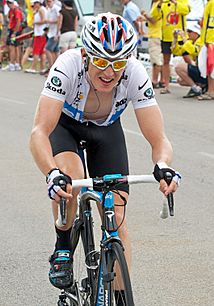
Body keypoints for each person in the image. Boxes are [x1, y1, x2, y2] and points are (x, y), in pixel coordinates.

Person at [29, 12, 181, 297]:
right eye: (100, 61)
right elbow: (39, 131)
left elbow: (158, 138)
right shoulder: (66, 66)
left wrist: (162, 165)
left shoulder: (135, 73)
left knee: (118, 216)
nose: (110, 72)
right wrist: (52, 172)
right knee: (71, 181)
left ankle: (122, 299)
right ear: (85, 54)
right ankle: (63, 243)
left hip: (106, 130)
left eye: (118, 63)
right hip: (66, 127)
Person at [153, 0, 191, 94]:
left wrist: (175, 2)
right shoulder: (163, 2)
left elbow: (186, 10)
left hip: (179, 36)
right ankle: (166, 85)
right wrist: (159, 5)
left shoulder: (182, 1)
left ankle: (197, 83)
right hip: (166, 37)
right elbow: (155, 16)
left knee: (188, 59)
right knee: (165, 61)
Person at [172, 23, 207, 98]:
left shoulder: (202, 41)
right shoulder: (190, 42)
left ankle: (197, 88)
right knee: (181, 81)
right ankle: (200, 86)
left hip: (205, 71)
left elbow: (194, 50)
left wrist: (184, 38)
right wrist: (175, 38)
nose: (188, 33)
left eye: (189, 31)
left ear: (196, 33)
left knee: (179, 67)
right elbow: (176, 52)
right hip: (199, 69)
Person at [141, 0, 164, 88]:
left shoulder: (158, 4)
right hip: (159, 34)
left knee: (156, 60)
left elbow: (153, 20)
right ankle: (162, 80)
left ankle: (154, 81)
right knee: (160, 59)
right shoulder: (158, 4)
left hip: (155, 35)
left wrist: (144, 14)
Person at [197, 0, 214, 101]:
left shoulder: (211, 3)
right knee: (209, 67)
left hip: (210, 41)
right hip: (208, 40)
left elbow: (211, 23)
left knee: (210, 67)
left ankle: (211, 91)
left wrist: (209, 41)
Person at [25, 0, 47, 74]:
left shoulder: (41, 9)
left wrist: (35, 22)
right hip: (40, 33)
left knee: (36, 51)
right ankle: (42, 67)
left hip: (40, 33)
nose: (34, 6)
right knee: (41, 52)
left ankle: (33, 67)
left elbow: (44, 20)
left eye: (35, 4)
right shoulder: (39, 10)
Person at [2, 0, 23, 71]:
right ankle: (14, 64)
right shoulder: (10, 11)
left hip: (16, 30)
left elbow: (18, 22)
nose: (9, 4)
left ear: (13, 3)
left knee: (13, 47)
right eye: (8, 3)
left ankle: (13, 64)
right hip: (11, 30)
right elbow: (9, 19)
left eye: (10, 3)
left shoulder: (16, 10)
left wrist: (14, 32)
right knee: (13, 47)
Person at [44, 0, 61, 73]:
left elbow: (59, 20)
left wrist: (57, 33)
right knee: (55, 51)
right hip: (50, 32)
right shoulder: (49, 9)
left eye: (49, 1)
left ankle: (51, 67)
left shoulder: (56, 8)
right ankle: (57, 67)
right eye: (47, 1)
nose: (48, 3)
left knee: (47, 49)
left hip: (55, 33)